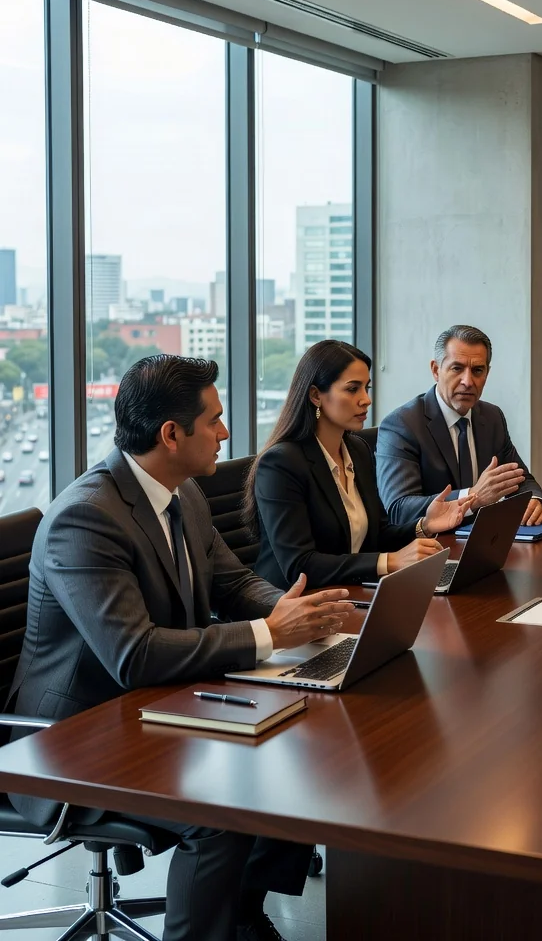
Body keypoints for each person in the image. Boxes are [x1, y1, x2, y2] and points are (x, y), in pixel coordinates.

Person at [7, 355, 355, 941]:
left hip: (149, 708)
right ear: (172, 435)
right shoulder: (86, 519)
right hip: (69, 742)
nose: (225, 433)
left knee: (296, 755)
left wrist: (296, 612)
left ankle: (241, 917)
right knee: (217, 816)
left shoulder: (182, 492)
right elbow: (134, 654)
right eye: (215, 421)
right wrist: (272, 634)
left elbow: (232, 580)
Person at [247, 340, 472, 589]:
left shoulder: (358, 450)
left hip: (348, 591)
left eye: (367, 388)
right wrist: (389, 562)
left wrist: (424, 526)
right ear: (315, 396)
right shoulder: (281, 464)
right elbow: (300, 565)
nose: (366, 400)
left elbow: (377, 535)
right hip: (292, 603)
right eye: (353, 389)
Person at [377, 324, 542, 526]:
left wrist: (535, 501)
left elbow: (520, 479)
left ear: (487, 373)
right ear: (436, 370)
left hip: (484, 538)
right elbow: (399, 509)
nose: (468, 381)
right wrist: (473, 497)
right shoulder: (402, 424)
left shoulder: (492, 416)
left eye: (477, 370)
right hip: (431, 546)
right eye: (457, 368)